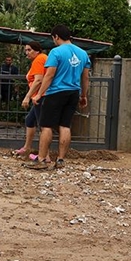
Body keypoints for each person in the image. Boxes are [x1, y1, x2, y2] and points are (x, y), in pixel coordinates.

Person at [25, 25, 90, 170]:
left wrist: (39, 94)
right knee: (65, 125)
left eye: (53, 38)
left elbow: (49, 75)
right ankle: (60, 160)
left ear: (56, 37)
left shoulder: (56, 52)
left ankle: (41, 160)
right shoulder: (83, 53)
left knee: (46, 126)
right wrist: (83, 95)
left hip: (56, 92)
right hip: (74, 92)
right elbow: (85, 77)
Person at [12, 41, 47, 159]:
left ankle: (45, 156)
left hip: (40, 96)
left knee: (43, 126)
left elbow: (38, 80)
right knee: (30, 120)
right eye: (26, 50)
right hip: (40, 95)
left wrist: (27, 97)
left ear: (37, 50)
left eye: (29, 50)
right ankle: (27, 148)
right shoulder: (41, 58)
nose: (27, 53)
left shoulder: (38, 60)